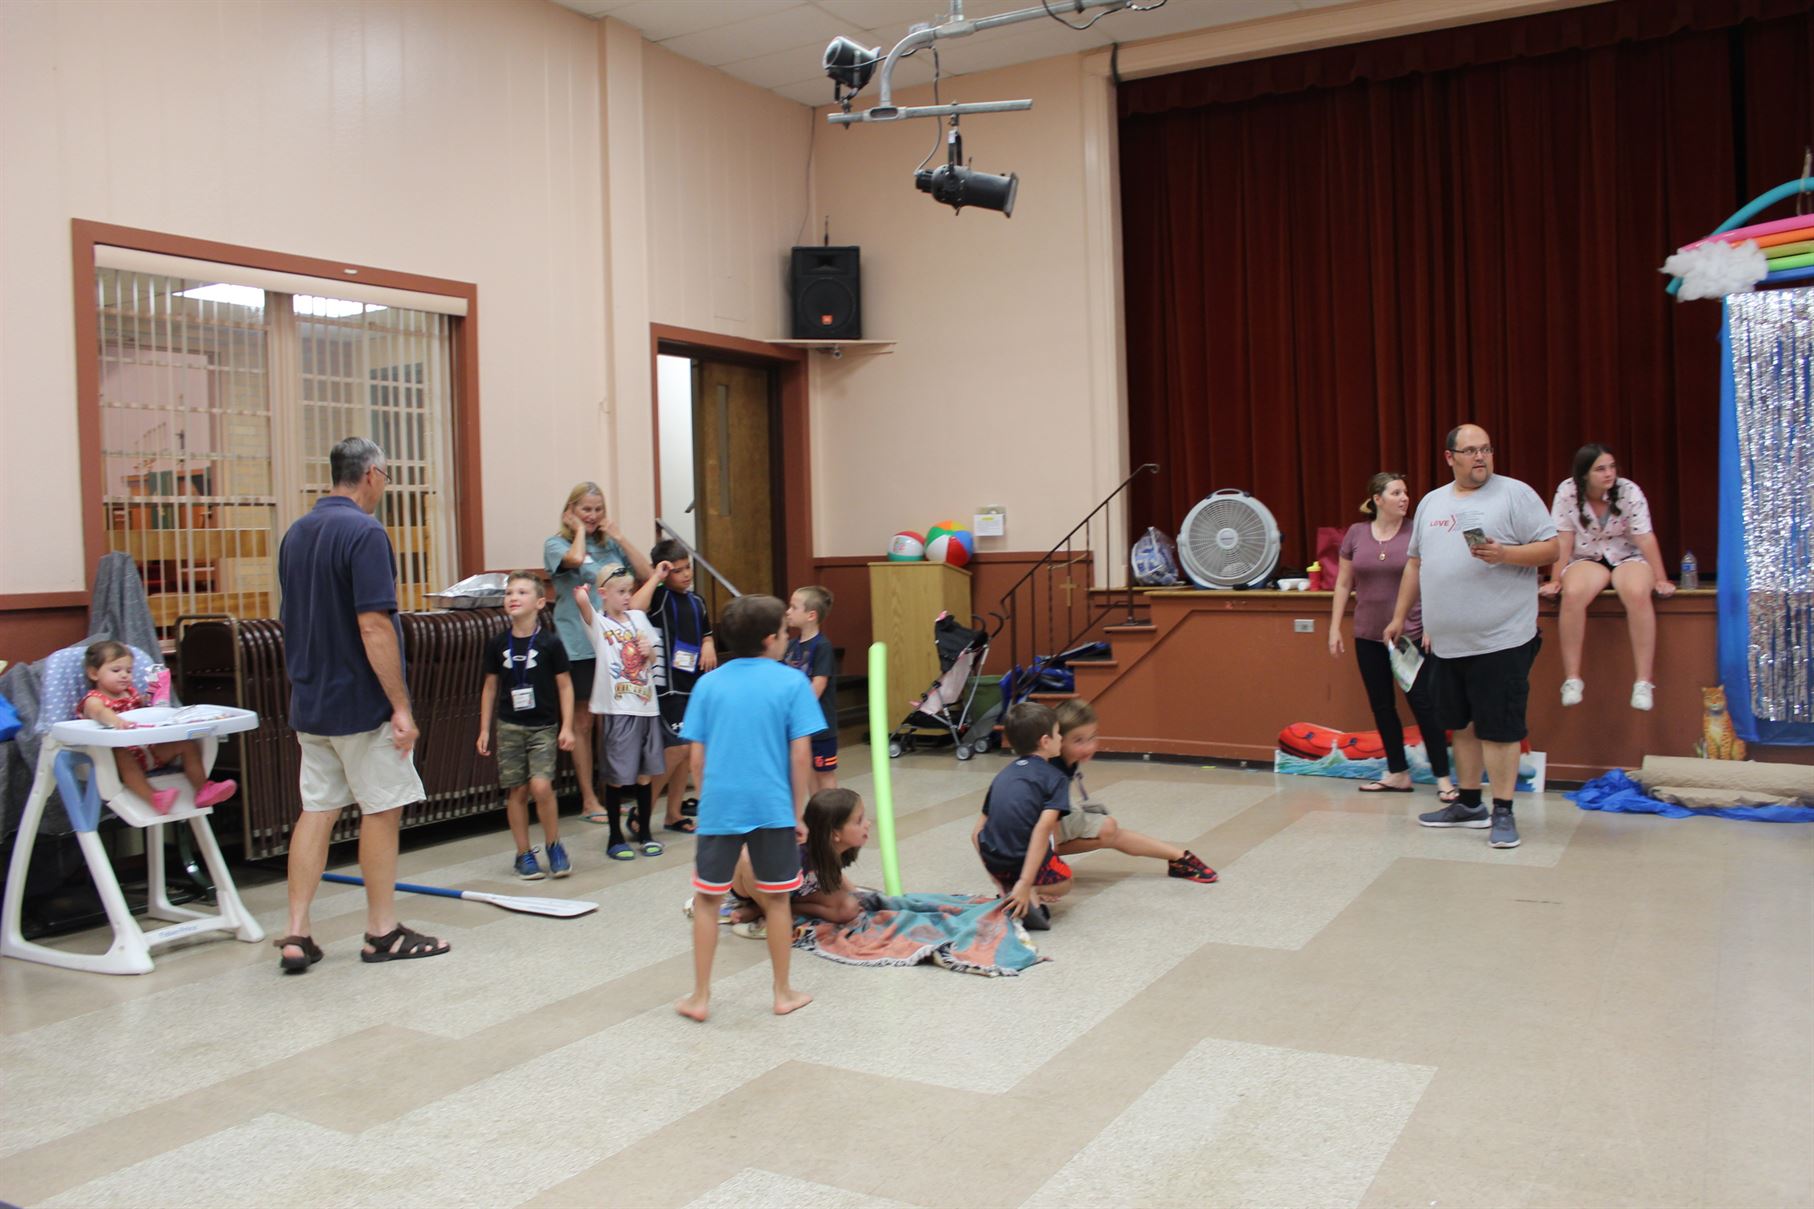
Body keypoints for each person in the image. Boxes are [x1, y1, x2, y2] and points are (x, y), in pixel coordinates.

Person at [274, 436, 449, 971]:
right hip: (360, 702)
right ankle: (381, 931)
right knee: (381, 809)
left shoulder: (296, 533)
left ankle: (297, 932)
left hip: (311, 700)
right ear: (372, 474)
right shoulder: (365, 532)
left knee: (317, 810)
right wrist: (401, 706)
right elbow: (374, 625)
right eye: (386, 478)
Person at [1384, 424, 1559, 851]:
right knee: (1460, 725)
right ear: (1450, 457)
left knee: (1499, 728)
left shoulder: (1515, 494)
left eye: (1486, 449)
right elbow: (1415, 564)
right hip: (1447, 642)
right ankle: (1468, 804)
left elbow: (1552, 549)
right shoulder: (1431, 502)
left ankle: (1503, 811)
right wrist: (1400, 615)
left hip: (1501, 638)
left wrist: (1506, 554)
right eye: (1470, 450)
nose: (1480, 457)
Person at [675, 593, 823, 1022]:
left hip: (720, 807)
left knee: (707, 900)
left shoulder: (708, 684)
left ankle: (700, 997)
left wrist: (709, 801)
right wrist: (797, 812)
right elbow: (801, 756)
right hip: (772, 806)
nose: (786, 638)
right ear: (769, 639)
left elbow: (696, 759)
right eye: (783, 632)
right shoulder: (793, 683)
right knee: (777, 901)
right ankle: (782, 993)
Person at [1327, 472, 1458, 801]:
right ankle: (1398, 773)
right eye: (1396, 493)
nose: (1404, 498)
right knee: (1382, 706)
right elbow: (1343, 583)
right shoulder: (1356, 534)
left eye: (1405, 492)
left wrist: (1431, 624)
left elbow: (1434, 578)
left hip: (1410, 634)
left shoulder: (1416, 531)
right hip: (1368, 634)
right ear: (1377, 499)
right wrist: (1334, 626)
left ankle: (1444, 779)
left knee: (1424, 705)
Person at [543, 483, 652, 824]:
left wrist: (620, 537)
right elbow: (575, 561)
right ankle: (589, 800)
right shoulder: (556, 544)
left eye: (597, 509)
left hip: (615, 646)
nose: (592, 516)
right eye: (585, 509)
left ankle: (610, 794)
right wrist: (578, 531)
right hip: (577, 643)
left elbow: (647, 575)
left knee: (611, 719)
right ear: (571, 511)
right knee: (583, 720)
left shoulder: (610, 546)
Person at [1539, 443, 1676, 712]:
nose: (1609, 473)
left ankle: (1643, 682)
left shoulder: (1628, 491)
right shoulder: (1567, 492)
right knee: (1573, 593)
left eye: (1612, 467)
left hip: (1627, 556)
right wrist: (1555, 579)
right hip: (1586, 557)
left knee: (1636, 592)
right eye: (1600, 469)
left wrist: (1661, 578)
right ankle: (1572, 678)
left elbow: (1644, 537)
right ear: (1584, 474)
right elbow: (1564, 538)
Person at [476, 571, 575, 880]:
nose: (513, 598)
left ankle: (554, 844)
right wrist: (484, 729)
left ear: (540, 602)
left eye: (522, 592)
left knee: (541, 786)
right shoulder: (497, 643)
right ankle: (523, 853)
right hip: (509, 726)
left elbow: (565, 686)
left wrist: (567, 726)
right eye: (509, 593)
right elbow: (490, 687)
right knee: (517, 790)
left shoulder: (550, 643)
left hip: (543, 727)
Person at [1051, 700, 1217, 883]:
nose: (1089, 747)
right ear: (1059, 739)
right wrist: (1047, 866)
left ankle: (1179, 857)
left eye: (1093, 737)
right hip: (1038, 822)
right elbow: (1048, 824)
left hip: (1049, 814)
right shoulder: (1054, 774)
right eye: (1078, 740)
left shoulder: (1062, 759)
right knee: (1108, 829)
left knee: (1108, 829)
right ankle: (1038, 857)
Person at [78, 640, 236, 815]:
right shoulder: (94, 699)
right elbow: (99, 712)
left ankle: (203, 789)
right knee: (120, 753)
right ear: (94, 673)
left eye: (128, 671)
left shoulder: (131, 694)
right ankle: (154, 798)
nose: (124, 675)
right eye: (116, 670)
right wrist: (116, 721)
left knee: (186, 744)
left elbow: (146, 713)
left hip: (148, 751)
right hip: (112, 762)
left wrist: (152, 701)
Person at [572, 566, 664, 861]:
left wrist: (648, 650)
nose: (627, 597)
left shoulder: (638, 618)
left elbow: (653, 657)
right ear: (604, 594)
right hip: (619, 708)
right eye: (621, 592)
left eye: (629, 591)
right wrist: (582, 597)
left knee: (645, 775)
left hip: (647, 707)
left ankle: (645, 832)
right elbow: (584, 608)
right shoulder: (599, 624)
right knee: (617, 775)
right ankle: (614, 837)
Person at [631, 540, 716, 833]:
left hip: (693, 685)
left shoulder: (697, 601)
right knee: (677, 749)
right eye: (677, 570)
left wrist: (708, 644)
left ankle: (673, 813)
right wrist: (657, 577)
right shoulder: (658, 597)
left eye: (687, 568)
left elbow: (706, 632)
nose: (686, 575)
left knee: (688, 751)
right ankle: (641, 811)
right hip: (667, 688)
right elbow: (634, 608)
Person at [971, 702, 1072, 929]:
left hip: (994, 858)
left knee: (1015, 863)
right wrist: (1027, 882)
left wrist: (996, 878)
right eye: (1058, 733)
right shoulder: (1056, 778)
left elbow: (976, 833)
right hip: (1020, 857)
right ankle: (1028, 891)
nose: (1061, 738)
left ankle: (1011, 888)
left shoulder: (1003, 775)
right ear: (1045, 741)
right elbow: (1042, 830)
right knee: (1066, 881)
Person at [724, 787, 870, 937]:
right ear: (835, 834)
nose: (868, 823)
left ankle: (762, 910)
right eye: (859, 821)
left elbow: (834, 872)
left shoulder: (835, 847)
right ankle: (770, 911)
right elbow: (749, 858)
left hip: (794, 892)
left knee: (849, 908)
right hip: (755, 886)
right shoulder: (798, 852)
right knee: (749, 857)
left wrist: (858, 895)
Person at [783, 585, 839, 793]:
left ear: (811, 615)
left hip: (821, 727)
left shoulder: (822, 646)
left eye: (793, 607)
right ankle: (817, 810)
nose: (788, 611)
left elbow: (818, 685)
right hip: (800, 727)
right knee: (807, 772)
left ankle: (831, 811)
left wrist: (796, 708)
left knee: (824, 772)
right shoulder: (790, 646)